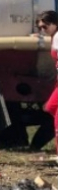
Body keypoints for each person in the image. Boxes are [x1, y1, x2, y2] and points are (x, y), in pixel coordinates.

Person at [36, 10, 58, 154]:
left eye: (45, 26)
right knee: (51, 108)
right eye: (40, 28)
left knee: (54, 109)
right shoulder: (54, 36)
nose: (43, 30)